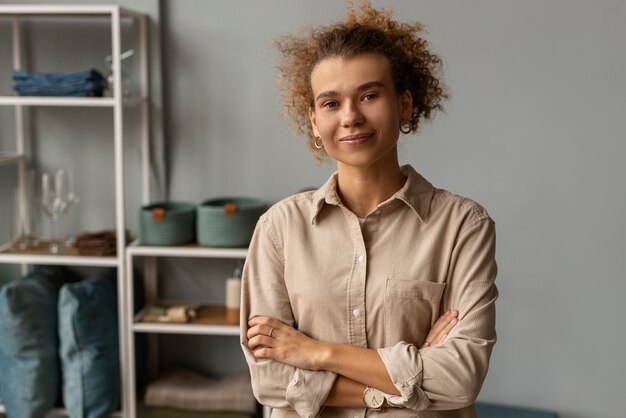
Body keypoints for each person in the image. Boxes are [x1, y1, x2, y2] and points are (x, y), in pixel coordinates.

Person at [240, 2, 498, 417]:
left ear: (406, 105)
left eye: (370, 95)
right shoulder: (278, 228)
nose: (351, 117)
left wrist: (315, 353)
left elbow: (458, 379)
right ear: (312, 120)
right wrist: (404, 379)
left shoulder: (463, 225)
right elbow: (269, 379)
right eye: (330, 103)